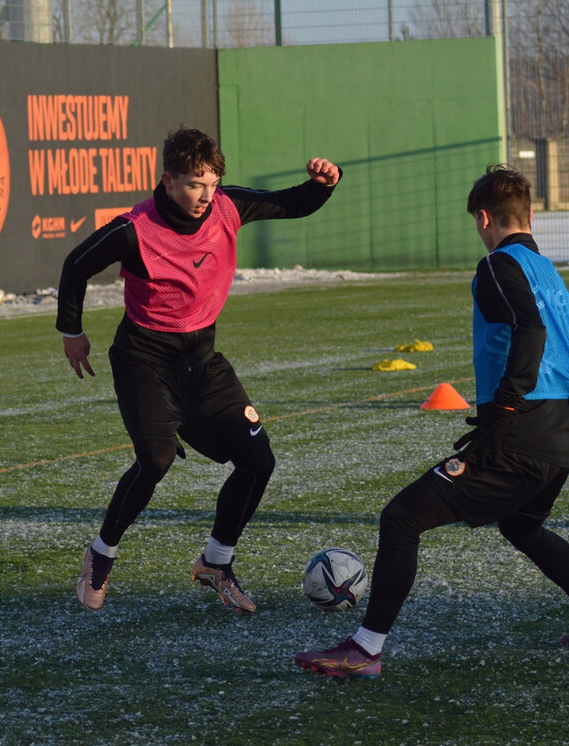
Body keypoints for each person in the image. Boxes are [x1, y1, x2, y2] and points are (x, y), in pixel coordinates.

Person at [295, 164, 569, 679]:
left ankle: (364, 650)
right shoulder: (548, 271)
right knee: (523, 527)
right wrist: (565, 421)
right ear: (531, 216)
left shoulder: (497, 265)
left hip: (521, 432)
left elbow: (531, 334)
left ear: (484, 218)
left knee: (401, 519)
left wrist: (501, 421)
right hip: (557, 431)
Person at [58, 126, 341, 614]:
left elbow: (290, 203)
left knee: (259, 461)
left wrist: (323, 184)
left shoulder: (226, 207)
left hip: (203, 364)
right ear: (168, 180)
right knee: (157, 460)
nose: (205, 196)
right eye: (194, 184)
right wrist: (72, 332)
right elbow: (75, 264)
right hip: (144, 361)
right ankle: (101, 554)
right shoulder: (134, 229)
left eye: (211, 184)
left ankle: (216, 562)